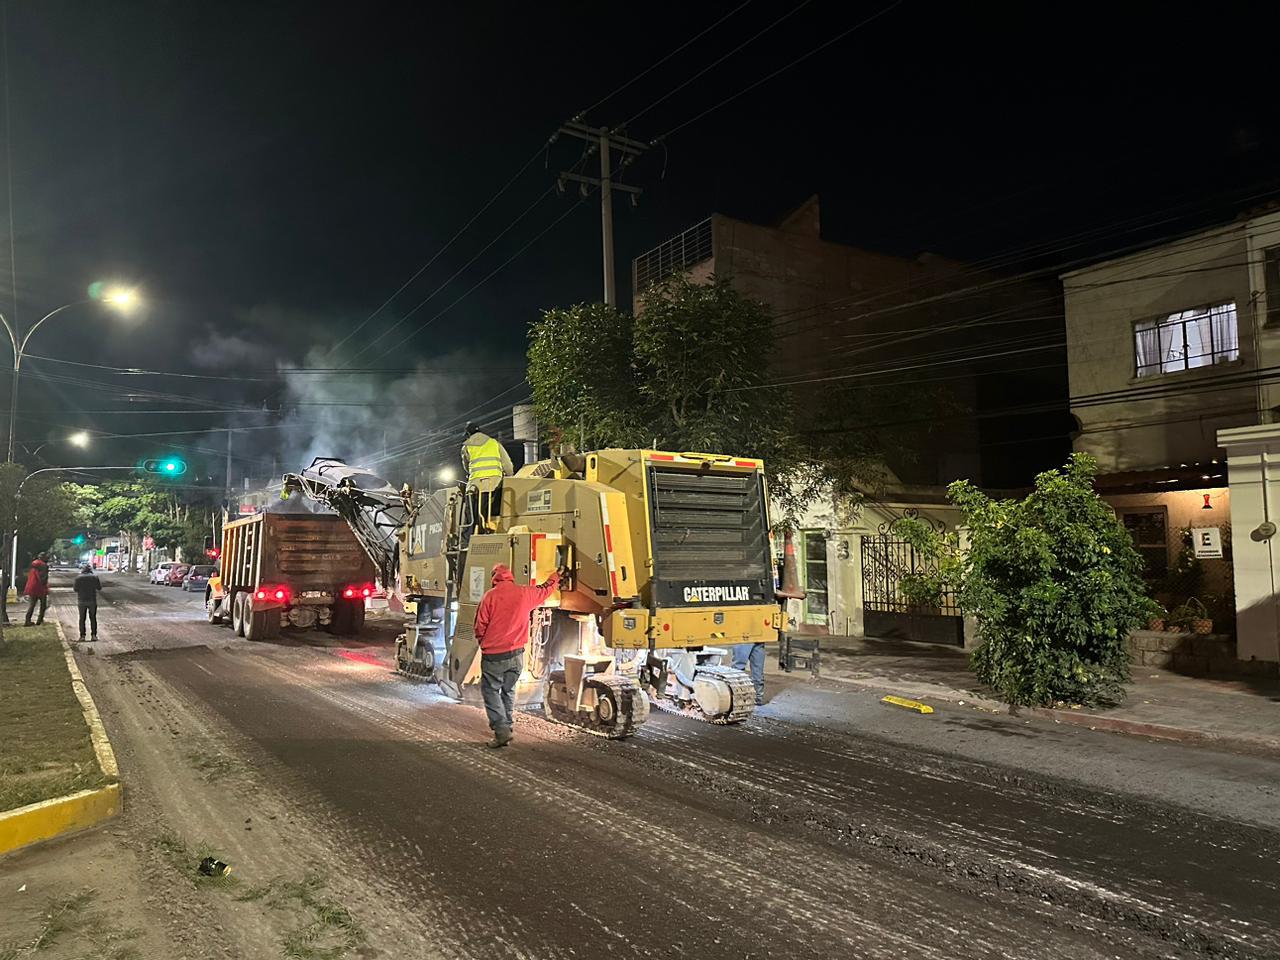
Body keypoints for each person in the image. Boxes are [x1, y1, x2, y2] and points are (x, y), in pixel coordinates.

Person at [472, 562, 562, 748]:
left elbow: (480, 625)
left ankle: (501, 730)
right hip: (516, 655)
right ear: (511, 577)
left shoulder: (489, 597)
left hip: (494, 655)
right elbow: (545, 590)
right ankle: (508, 726)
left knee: (490, 691)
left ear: (494, 577)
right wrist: (556, 575)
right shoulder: (524, 593)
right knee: (509, 690)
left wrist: (484, 644)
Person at [461, 422, 513, 532]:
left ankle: (467, 539)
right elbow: (508, 465)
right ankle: (487, 527)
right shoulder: (494, 443)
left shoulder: (467, 446)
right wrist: (511, 477)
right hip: (494, 484)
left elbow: (466, 466)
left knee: (470, 513)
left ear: (468, 434)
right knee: (489, 508)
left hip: (475, 485)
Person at [74, 564, 103, 641]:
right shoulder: (95, 577)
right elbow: (99, 588)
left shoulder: (78, 578)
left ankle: (82, 636)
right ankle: (94, 635)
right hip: (92, 600)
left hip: (81, 600)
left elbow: (75, 589)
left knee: (82, 618)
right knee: (93, 618)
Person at [732, 641, 766, 706]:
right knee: (757, 670)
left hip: (745, 637)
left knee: (738, 669)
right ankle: (757, 698)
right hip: (759, 636)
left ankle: (738, 697)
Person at [23, 552, 50, 626]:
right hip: (40, 588)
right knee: (43, 605)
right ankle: (39, 621)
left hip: (32, 587)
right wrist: (45, 587)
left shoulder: (33, 564)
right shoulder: (43, 565)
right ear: (44, 558)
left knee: (32, 605)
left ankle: (27, 620)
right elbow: (43, 578)